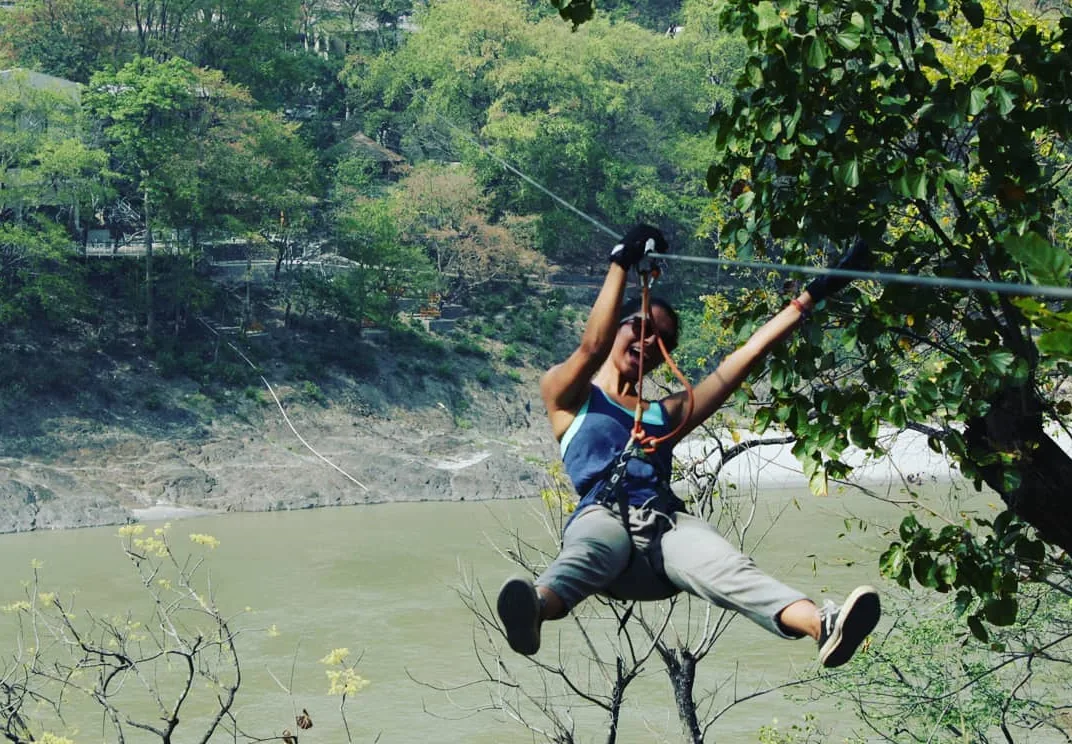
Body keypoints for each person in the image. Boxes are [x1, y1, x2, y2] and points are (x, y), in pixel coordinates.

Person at [497, 224, 879, 668]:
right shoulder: (568, 396)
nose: (647, 341)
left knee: (728, 566)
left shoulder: (666, 414)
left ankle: (823, 626)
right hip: (604, 518)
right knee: (588, 550)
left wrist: (815, 293)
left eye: (660, 340)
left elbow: (748, 355)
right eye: (638, 326)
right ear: (618, 326)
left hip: (664, 531)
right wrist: (621, 262)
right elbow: (591, 345)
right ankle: (534, 611)